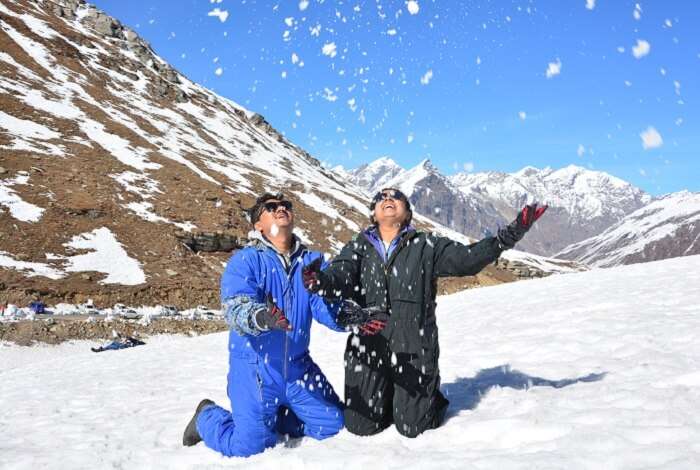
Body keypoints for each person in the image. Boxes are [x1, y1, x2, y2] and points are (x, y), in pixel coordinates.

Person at [302, 188, 546, 438]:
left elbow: (467, 259)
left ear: (407, 212)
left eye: (396, 197)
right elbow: (340, 275)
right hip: (367, 347)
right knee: (361, 426)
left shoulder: (426, 245)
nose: (388, 199)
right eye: (381, 198)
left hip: (414, 348)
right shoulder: (358, 246)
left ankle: (428, 398)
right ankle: (391, 396)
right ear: (373, 214)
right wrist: (321, 281)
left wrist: (506, 237)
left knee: (413, 427)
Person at [182, 192, 386, 457]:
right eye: (271, 207)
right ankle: (206, 417)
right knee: (250, 447)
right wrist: (261, 317)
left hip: (298, 367)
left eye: (285, 205)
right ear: (258, 225)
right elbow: (234, 307)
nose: (281, 208)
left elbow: (324, 306)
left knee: (332, 426)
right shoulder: (246, 260)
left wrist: (350, 315)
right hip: (255, 368)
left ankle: (270, 415)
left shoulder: (312, 262)